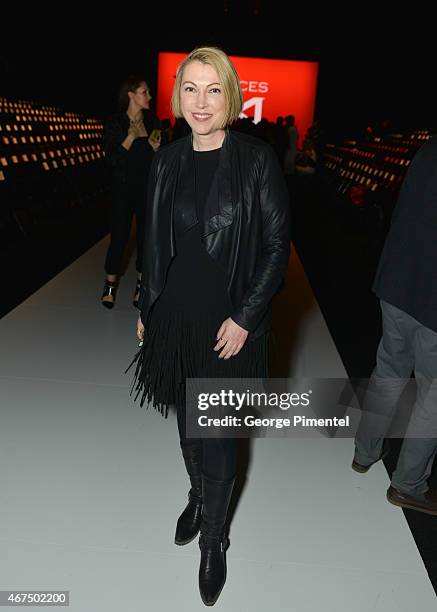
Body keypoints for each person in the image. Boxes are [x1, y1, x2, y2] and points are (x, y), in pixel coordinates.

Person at [128, 47, 291, 605]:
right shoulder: (167, 160)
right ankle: (199, 497)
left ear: (231, 95)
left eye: (213, 89)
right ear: (178, 95)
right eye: (191, 89)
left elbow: (275, 247)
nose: (201, 102)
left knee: (218, 431)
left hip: (230, 323)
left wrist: (246, 317)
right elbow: (150, 245)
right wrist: (144, 308)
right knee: (187, 421)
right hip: (175, 316)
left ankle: (215, 540)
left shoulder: (256, 160)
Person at [352, 135, 437, 515]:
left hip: (398, 281)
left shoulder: (429, 148)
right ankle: (408, 484)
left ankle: (364, 452)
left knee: (388, 370)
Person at [101, 75, 162, 309]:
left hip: (147, 190)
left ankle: (141, 286)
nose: (149, 96)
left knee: (147, 240)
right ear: (131, 95)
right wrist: (131, 136)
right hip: (122, 190)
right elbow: (111, 158)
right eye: (144, 92)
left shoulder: (154, 122)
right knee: (119, 238)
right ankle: (109, 286)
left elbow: (156, 160)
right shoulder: (116, 123)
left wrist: (156, 150)